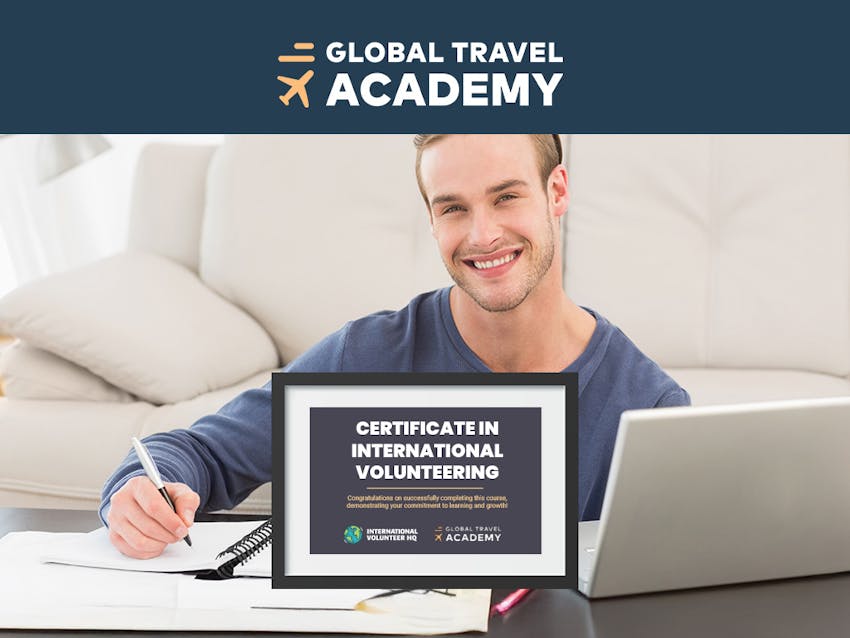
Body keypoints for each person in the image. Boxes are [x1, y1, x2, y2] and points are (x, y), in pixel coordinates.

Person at [101, 134, 690, 559]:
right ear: (431, 220)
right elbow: (195, 452)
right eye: (453, 208)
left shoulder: (649, 405)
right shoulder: (368, 355)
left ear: (556, 191)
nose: (483, 234)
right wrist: (139, 497)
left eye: (506, 197)